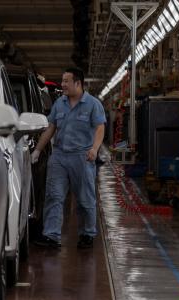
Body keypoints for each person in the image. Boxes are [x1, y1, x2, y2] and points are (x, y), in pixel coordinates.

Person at [31, 67, 106, 249]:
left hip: (83, 157)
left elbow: (99, 128)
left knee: (85, 199)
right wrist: (38, 150)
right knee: (54, 196)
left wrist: (95, 149)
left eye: (66, 81)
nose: (62, 84)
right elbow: (51, 128)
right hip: (59, 156)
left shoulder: (93, 104)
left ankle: (87, 234)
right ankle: (51, 235)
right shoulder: (59, 104)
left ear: (77, 83)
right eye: (62, 81)